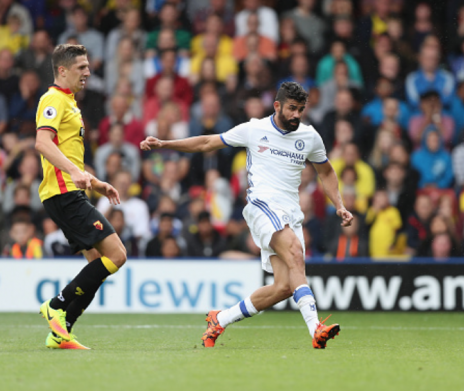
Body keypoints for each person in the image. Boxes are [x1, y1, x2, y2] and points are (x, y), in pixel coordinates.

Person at [141, 82, 353, 349]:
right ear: (277, 106)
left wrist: (339, 205)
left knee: (284, 286)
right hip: (262, 205)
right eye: (291, 109)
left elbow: (326, 172)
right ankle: (316, 328)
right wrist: (164, 144)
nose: (296, 115)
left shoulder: (310, 137)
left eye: (300, 110)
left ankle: (220, 319)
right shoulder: (254, 129)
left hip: (290, 212)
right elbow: (207, 142)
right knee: (296, 254)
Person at [35, 44, 127, 350]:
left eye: (88, 67)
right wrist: (75, 175)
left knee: (98, 263)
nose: (88, 72)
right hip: (63, 193)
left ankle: (62, 332)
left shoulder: (70, 103)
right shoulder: (52, 99)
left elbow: (67, 152)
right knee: (117, 255)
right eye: (81, 67)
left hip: (70, 191)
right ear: (62, 70)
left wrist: (96, 182)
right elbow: (43, 143)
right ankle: (57, 305)